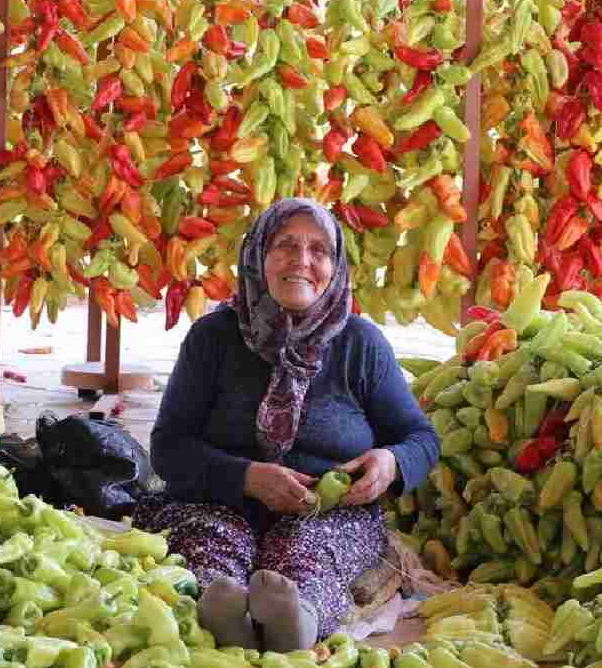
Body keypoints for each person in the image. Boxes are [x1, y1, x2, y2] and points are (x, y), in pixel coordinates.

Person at [134, 198, 439, 652]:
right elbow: (169, 446)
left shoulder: (360, 344)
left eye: (319, 250)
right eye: (286, 246)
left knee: (309, 552)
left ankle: (296, 619)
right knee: (212, 543)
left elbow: (421, 438)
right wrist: (246, 477)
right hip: (219, 501)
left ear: (335, 267)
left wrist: (390, 462)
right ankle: (224, 612)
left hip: (326, 513)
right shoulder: (213, 338)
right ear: (258, 255)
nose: (302, 261)